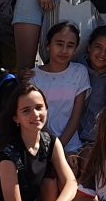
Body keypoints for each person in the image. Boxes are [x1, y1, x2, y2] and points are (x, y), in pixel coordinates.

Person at [30, 21, 90, 156]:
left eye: (70, 46)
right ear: (48, 45)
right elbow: (35, 116)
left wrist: (59, 148)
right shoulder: (33, 76)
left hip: (71, 146)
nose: (64, 50)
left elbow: (76, 116)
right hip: (41, 145)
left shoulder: (79, 72)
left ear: (75, 50)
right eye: (59, 44)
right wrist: (52, 148)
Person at [77, 25, 106, 152]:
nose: (102, 54)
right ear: (89, 47)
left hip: (100, 141)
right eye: (98, 47)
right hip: (71, 137)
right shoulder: (75, 68)